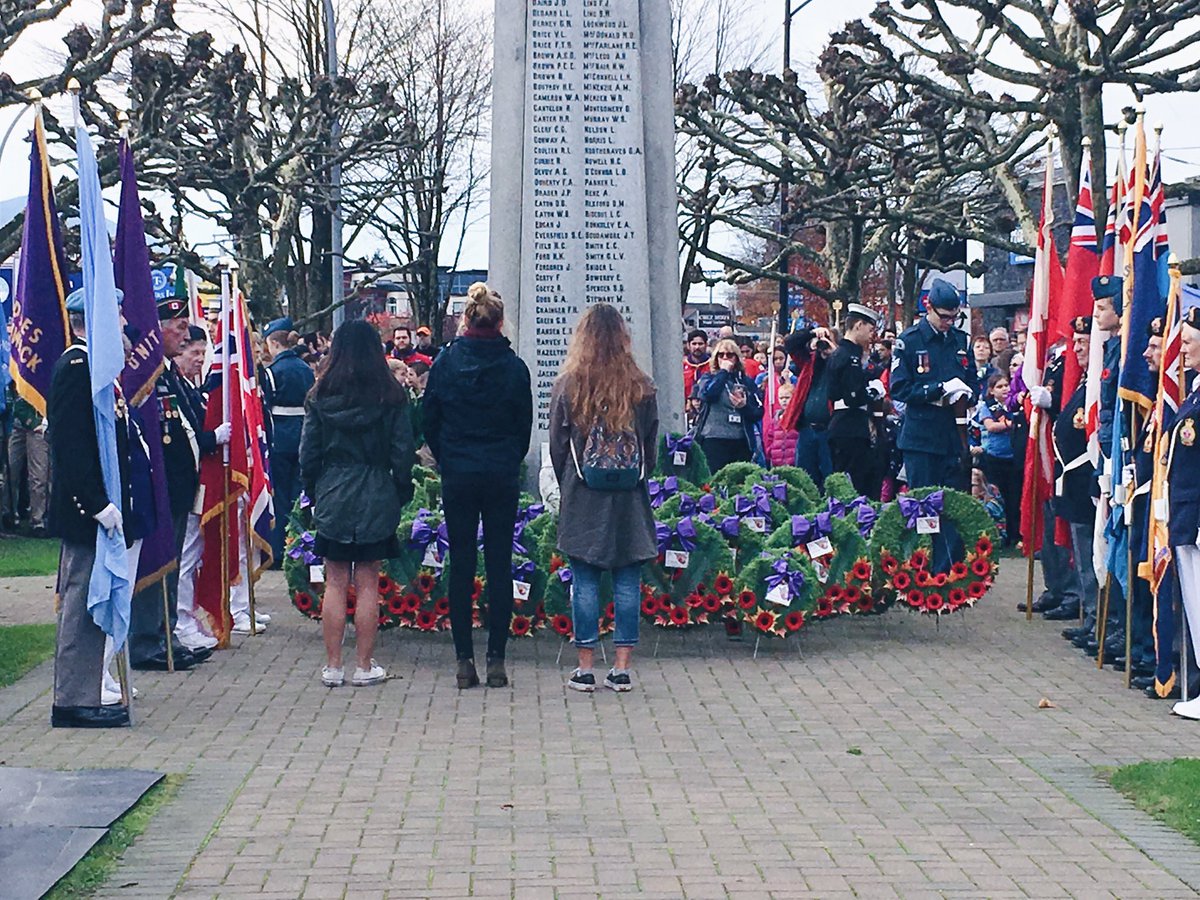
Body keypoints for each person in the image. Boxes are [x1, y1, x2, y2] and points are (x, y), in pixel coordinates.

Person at [423, 283, 532, 689]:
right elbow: (523, 425)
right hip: (500, 469)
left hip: (459, 470)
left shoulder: (445, 363)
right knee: (500, 563)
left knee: (462, 562)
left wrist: (447, 456)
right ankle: (497, 659)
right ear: (501, 323)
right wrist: (509, 457)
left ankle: (464, 659)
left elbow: (429, 418)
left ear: (465, 319)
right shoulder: (514, 367)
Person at [549, 303, 658, 693]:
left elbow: (557, 445)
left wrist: (568, 483)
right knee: (627, 579)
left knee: (585, 581)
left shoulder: (569, 385)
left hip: (584, 494)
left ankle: (585, 667)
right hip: (629, 496)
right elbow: (650, 443)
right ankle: (622, 667)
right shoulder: (641, 386)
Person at [300, 320, 415, 688]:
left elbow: (308, 453)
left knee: (335, 582)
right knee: (368, 582)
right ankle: (364, 666)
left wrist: (314, 490)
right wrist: (400, 490)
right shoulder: (392, 395)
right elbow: (403, 451)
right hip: (376, 488)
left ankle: (333, 666)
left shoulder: (320, 395)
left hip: (334, 487)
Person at [46, 289, 133, 728]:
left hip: (97, 507)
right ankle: (71, 701)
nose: (123, 323)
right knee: (81, 603)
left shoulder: (93, 368)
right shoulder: (76, 369)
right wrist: (96, 504)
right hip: (84, 511)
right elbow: (71, 445)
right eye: (117, 315)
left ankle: (86, 694)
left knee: (90, 602)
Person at [891, 278, 976, 491]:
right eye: (944, 317)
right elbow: (899, 388)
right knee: (924, 503)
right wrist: (939, 389)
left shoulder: (961, 340)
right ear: (929, 307)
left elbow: (973, 382)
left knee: (956, 503)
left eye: (955, 317)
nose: (949, 322)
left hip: (954, 436)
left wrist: (966, 394)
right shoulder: (909, 341)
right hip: (922, 438)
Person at [1051, 318, 1100, 643]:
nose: (1078, 348)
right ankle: (1090, 615)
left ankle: (1099, 620)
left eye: (1084, 342)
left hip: (1086, 483)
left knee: (1092, 556)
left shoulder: (1096, 382)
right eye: (1076, 343)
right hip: (1073, 483)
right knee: (1082, 556)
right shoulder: (1083, 382)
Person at [1165, 306, 1200, 719]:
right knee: (1193, 600)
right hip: (1187, 511)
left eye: (1189, 341)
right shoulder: (1194, 392)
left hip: (1197, 512)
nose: (1184, 349)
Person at [262, 317, 315, 565]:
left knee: (280, 496)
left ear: (273, 343)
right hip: (303, 435)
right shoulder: (305, 369)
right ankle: (301, 547)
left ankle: (279, 549)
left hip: (279, 438)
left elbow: (266, 405)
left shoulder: (272, 372)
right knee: (299, 495)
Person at [826, 303, 885, 499]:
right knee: (855, 485)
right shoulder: (849, 356)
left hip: (845, 424)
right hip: (849, 426)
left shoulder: (845, 354)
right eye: (870, 329)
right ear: (859, 325)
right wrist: (872, 392)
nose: (871, 335)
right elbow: (853, 396)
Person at [694, 338, 763, 472]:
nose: (725, 358)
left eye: (730, 355)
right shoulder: (707, 378)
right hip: (714, 439)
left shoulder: (746, 381)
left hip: (741, 440)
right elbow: (708, 395)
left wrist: (744, 406)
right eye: (721, 355)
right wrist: (723, 372)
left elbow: (758, 411)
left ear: (736, 358)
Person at [781, 325, 837, 484]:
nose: (822, 345)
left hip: (829, 430)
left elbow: (845, 361)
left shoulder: (839, 364)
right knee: (805, 477)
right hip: (807, 429)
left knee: (830, 475)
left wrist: (833, 351)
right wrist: (812, 333)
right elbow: (790, 343)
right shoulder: (809, 362)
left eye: (827, 340)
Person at [978, 374, 1020, 545]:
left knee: (1014, 497)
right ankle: (999, 535)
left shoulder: (1014, 406)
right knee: (997, 496)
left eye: (1006, 385)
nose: (1004, 389)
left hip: (1013, 457)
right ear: (991, 390)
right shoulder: (987, 407)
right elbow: (991, 426)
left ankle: (1015, 535)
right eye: (999, 386)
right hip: (995, 458)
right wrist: (1011, 424)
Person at [683, 329, 710, 400]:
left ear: (706, 345)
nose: (697, 347)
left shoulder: (713, 365)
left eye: (700, 344)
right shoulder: (682, 366)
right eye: (694, 344)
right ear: (688, 345)